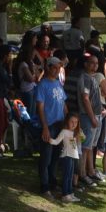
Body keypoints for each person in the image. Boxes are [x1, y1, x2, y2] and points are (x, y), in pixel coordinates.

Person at [34, 57, 67, 199]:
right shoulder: (42, 85)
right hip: (49, 125)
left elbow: (63, 104)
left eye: (59, 67)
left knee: (55, 156)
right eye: (55, 67)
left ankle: (53, 182)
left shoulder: (58, 83)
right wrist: (45, 127)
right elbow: (40, 108)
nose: (57, 69)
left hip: (60, 124)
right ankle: (44, 186)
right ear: (48, 67)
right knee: (46, 157)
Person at [77, 53, 106, 185]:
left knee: (91, 146)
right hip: (89, 117)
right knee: (85, 146)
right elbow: (85, 98)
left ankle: (91, 170)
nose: (95, 65)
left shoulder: (93, 78)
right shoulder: (85, 78)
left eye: (96, 63)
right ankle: (82, 173)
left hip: (97, 115)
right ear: (86, 64)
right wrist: (92, 117)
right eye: (92, 63)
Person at [50, 113, 84, 203]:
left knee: (70, 176)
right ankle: (65, 194)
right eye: (72, 122)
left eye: (76, 122)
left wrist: (80, 134)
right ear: (67, 122)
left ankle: (70, 193)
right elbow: (56, 141)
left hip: (73, 156)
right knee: (66, 176)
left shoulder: (74, 133)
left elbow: (77, 143)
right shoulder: (64, 132)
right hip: (66, 156)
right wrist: (49, 139)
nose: (74, 124)